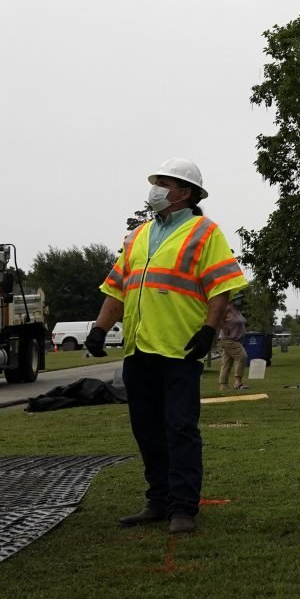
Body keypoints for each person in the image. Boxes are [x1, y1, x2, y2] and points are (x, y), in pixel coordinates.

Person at [89, 157, 249, 535]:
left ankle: (183, 507)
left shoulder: (204, 232)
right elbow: (116, 288)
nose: (155, 189)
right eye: (156, 182)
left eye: (163, 183)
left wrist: (209, 330)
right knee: (146, 429)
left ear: (185, 192)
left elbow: (222, 286)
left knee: (179, 428)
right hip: (139, 350)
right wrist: (99, 329)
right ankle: (158, 501)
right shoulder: (138, 235)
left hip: (180, 349)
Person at [217, 298, 250, 392]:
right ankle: (238, 382)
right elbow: (217, 318)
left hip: (236, 340)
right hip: (228, 340)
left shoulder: (238, 310)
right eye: (238, 298)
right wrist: (224, 327)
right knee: (242, 356)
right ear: (232, 299)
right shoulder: (227, 308)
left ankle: (223, 386)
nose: (240, 300)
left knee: (226, 363)